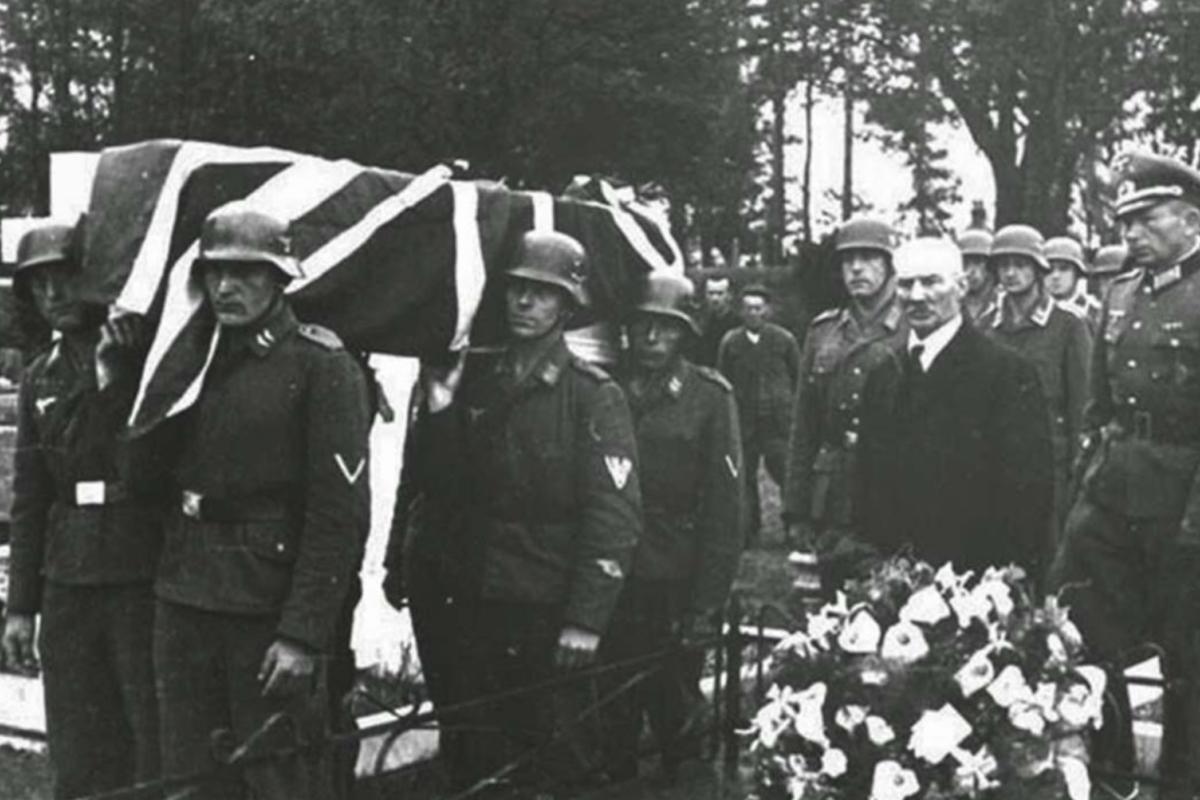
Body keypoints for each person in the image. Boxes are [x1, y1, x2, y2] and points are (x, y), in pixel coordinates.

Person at [131, 202, 372, 799]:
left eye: (247, 273)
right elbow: (141, 478)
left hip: (264, 603)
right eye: (215, 273)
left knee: (277, 776)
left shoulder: (321, 366)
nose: (227, 287)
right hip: (185, 593)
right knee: (189, 776)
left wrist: (302, 634)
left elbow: (339, 517)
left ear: (280, 278)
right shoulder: (187, 359)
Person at [443, 231, 642, 793]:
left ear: (567, 304)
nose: (524, 303)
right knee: (479, 757)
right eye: (518, 290)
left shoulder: (592, 394)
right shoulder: (478, 378)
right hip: (479, 595)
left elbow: (614, 518)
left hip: (548, 606)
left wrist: (585, 620)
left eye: (542, 293)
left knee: (556, 759)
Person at [1051, 152, 1200, 798]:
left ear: (1191, 218)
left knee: (1184, 649)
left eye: (1147, 218)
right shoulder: (1118, 293)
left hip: (1183, 498)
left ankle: (1182, 779)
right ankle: (1110, 769)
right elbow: (1099, 408)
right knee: (1088, 621)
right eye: (1125, 221)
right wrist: (1089, 484)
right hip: (1114, 493)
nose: (1131, 233)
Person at [1, 220, 163, 799]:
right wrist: (21, 607)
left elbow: (142, 461)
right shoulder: (39, 374)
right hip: (66, 576)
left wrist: (112, 379)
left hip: (135, 569)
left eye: (64, 278)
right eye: (37, 285)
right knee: (74, 736)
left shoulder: (142, 357)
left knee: (146, 732)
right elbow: (30, 497)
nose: (53, 296)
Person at [602, 273, 743, 784]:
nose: (653, 339)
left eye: (667, 328)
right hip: (609, 581)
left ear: (685, 334)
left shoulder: (708, 396)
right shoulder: (605, 386)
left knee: (679, 727)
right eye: (643, 326)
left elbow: (726, 512)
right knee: (606, 722)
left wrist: (705, 606)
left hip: (672, 584)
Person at [857, 237, 1053, 575]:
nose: (917, 296)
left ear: (961, 287)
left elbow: (1027, 491)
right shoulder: (883, 373)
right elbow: (867, 483)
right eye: (906, 284)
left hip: (974, 581)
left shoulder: (1006, 372)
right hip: (893, 576)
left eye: (932, 281)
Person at [782, 216, 905, 590]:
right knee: (830, 605)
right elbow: (804, 424)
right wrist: (795, 507)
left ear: (888, 265)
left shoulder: (912, 328)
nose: (857, 268)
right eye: (848, 260)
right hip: (833, 494)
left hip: (893, 489)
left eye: (869, 258)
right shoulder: (824, 331)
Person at [982, 225, 1092, 540]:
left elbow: (1081, 404)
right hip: (997, 458)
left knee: (1049, 550)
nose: (1011, 273)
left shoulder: (1068, 324)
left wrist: (1077, 469)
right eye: (1003, 265)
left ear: (1037, 268)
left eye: (1020, 264)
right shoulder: (986, 326)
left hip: (1051, 462)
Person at [718, 285, 800, 547]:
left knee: (786, 474)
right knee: (745, 478)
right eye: (748, 308)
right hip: (745, 422)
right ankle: (748, 530)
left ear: (767, 310)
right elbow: (723, 381)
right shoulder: (731, 342)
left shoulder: (784, 339)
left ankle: (794, 528)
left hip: (778, 421)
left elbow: (798, 378)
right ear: (741, 312)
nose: (753, 313)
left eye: (758, 308)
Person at [1045, 235, 1101, 330]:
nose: (1055, 276)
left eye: (1064, 268)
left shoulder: (1095, 312)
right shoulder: (1029, 311)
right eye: (1049, 270)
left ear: (1077, 273)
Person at [693, 275, 739, 368]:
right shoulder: (703, 323)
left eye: (720, 293)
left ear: (730, 296)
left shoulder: (737, 324)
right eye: (711, 293)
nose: (715, 298)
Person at [958, 228, 1000, 324]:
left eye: (978, 262)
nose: (970, 271)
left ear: (990, 266)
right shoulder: (951, 306)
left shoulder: (1005, 305)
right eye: (965, 262)